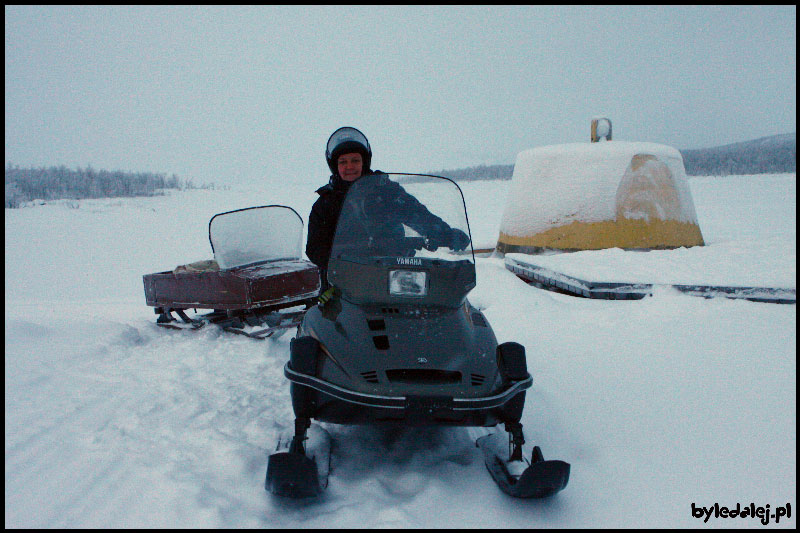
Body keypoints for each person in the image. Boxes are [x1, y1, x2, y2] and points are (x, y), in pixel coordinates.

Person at [306, 127, 469, 292]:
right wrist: (347, 259)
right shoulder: (325, 203)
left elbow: (416, 213)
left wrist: (445, 233)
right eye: (343, 162)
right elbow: (314, 248)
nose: (350, 166)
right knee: (329, 315)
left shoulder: (386, 192)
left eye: (355, 160)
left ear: (364, 162)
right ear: (335, 165)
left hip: (392, 275)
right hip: (344, 280)